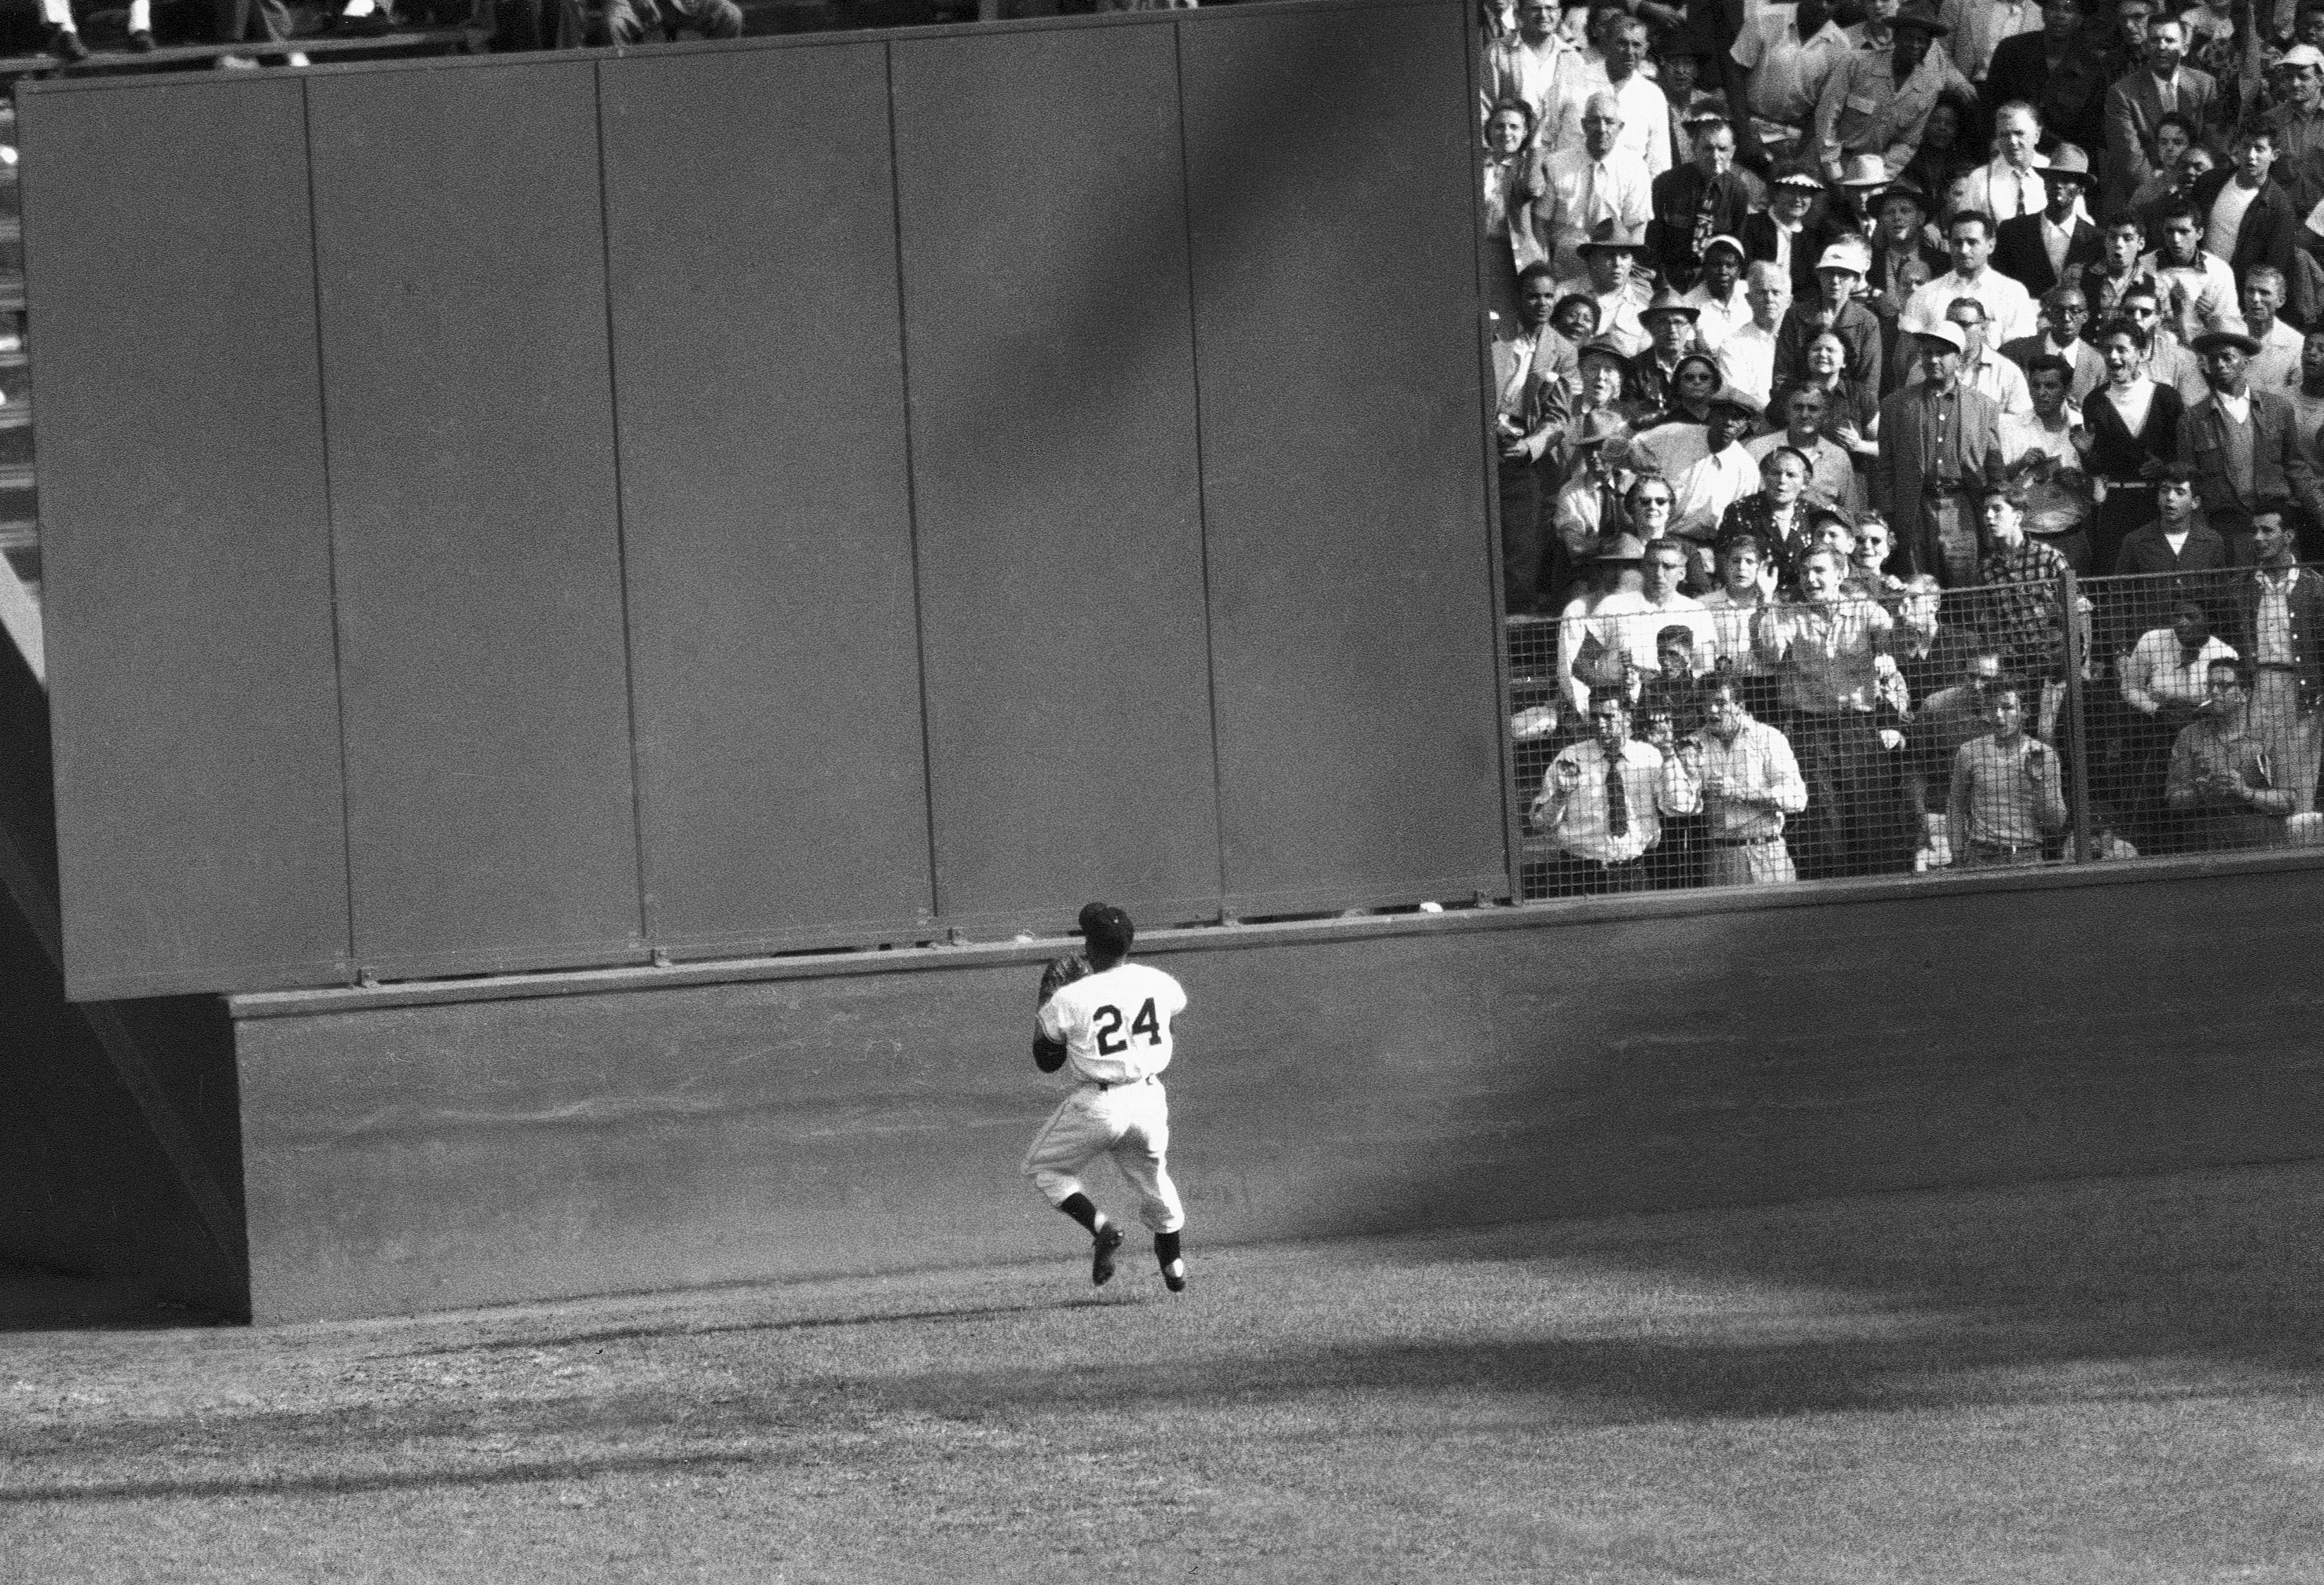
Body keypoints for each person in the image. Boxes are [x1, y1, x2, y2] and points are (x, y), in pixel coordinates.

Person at [1026, 904, 1190, 1293]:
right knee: (1155, 1183)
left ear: (1089, 946)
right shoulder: (1160, 982)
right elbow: (1169, 1016)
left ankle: (1102, 1228)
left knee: (1044, 1169)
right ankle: (1174, 1265)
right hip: (1149, 1098)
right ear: (1128, 944)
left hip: (1098, 1104)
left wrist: (1047, 1007)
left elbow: (1046, 1062)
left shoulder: (1070, 997)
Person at [1754, 544, 1908, 875]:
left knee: (1871, 819)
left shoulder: (1865, 609)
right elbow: (1769, 655)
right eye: (1805, 572)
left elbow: (1894, 644)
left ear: (1841, 574)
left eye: (1819, 570)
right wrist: (1764, 600)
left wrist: (1900, 618)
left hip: (1858, 728)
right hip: (1810, 731)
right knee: (1823, 825)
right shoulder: (1788, 613)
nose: (1811, 579)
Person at [1873, 321, 2008, 582]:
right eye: (1927, 352)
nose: (1933, 359)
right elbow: (1885, 469)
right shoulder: (1896, 405)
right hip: (1913, 508)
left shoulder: (1983, 407)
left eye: (1942, 353)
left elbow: (1995, 470)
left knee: (1965, 587)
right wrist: (1889, 517)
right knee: (1916, 588)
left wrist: (1997, 516)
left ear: (1958, 358)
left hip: (1963, 508)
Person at [2176, 328, 2323, 564]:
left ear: (2246, 362)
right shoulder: (2193, 419)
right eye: (2213, 360)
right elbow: (2189, 481)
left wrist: (2319, 508)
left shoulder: (2278, 409)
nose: (2220, 365)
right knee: (2237, 592)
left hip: (2274, 519)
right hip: (2225, 525)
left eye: (2227, 357)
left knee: (2283, 589)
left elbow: (2295, 467)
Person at [1530, 690, 1692, 893]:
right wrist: (1560, 796)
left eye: (1608, 716)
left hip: (1633, 872)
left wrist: (1669, 754)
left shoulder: (1649, 755)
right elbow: (1539, 824)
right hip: (1580, 873)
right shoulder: (1571, 758)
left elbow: (1680, 807)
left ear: (1627, 717)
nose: (1600, 723)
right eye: (1595, 716)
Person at [2121, 596, 2239, 849]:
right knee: (2148, 798)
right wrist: (2157, 709)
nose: (2181, 623)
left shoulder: (2225, 654)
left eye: (2191, 617)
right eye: (2177, 616)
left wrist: (2197, 715)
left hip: (2201, 733)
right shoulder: (2151, 641)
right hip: (2154, 730)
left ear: (2209, 621)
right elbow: (2129, 687)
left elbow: (2228, 703)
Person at [1667, 675, 1809, 882]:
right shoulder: (1693, 744)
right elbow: (1683, 807)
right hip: (1722, 857)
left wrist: (1740, 793)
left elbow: (1797, 799)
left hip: (1768, 852)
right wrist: (1680, 765)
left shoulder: (1769, 738)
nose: (1712, 711)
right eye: (1706, 704)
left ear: (1740, 705)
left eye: (1720, 703)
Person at [1813, 0, 1969, 184]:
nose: (1914, 45)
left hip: (1876, 171)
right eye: (1908, 37)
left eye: (1922, 41)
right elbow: (1827, 114)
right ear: (1895, 38)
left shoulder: (1929, 86)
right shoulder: (1856, 63)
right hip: (1833, 160)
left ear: (1929, 47)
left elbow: (1908, 143)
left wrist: (1882, 178)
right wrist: (1833, 169)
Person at [2079, 310, 2186, 574]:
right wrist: (2085, 453)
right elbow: (2099, 467)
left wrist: (2165, 469)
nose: (2113, 357)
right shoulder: (2095, 402)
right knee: (2119, 580)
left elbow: (2183, 457)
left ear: (2139, 352)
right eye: (2107, 350)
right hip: (2117, 506)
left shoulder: (2166, 397)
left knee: (2160, 578)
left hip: (2159, 504)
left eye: (2122, 349)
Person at [2231, 512, 2324, 813]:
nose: (2258, 538)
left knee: (2299, 772)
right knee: (2254, 764)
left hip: (2301, 686)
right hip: (2257, 686)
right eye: (2254, 531)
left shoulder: (2314, 585)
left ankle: (2299, 844)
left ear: (2289, 535)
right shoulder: (2241, 586)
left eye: (2267, 530)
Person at [1494, 280, 1574, 615]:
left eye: (1548, 296)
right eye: (1532, 295)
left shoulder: (1563, 350)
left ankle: (1515, 620)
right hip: (1480, 440)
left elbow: (1558, 417)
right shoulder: (1494, 335)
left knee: (1520, 543)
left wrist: (1529, 446)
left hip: (1521, 452)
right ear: (1518, 299)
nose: (1541, 303)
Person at [2165, 657, 2297, 846]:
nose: (2215, 692)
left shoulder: (2273, 735)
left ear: (2245, 693)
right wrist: (2199, 790)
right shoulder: (2189, 736)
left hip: (2263, 840)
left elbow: (2288, 802)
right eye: (2210, 685)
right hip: (2207, 841)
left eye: (2224, 686)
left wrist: (2244, 791)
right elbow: (2174, 800)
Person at [2102, 13, 2220, 214]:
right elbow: (2131, 161)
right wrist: (2166, 192)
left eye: (2170, 40)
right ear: (2146, 47)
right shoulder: (2122, 93)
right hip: (2143, 196)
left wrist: (2196, 186)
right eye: (2155, 40)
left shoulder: (2205, 85)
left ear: (2184, 48)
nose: (2162, 46)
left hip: (2197, 189)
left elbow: (2211, 145)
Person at [1905, 643, 2009, 864]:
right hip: (1943, 818)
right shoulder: (1937, 707)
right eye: (1971, 676)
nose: (1978, 685)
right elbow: (1915, 768)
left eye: (1987, 678)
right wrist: (1920, 818)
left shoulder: (2012, 712)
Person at [1946, 681, 2069, 864]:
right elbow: (1956, 805)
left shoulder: (2044, 754)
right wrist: (1957, 854)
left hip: (2025, 855)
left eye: (2007, 708)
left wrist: (2037, 782)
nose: (1998, 715)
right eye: (1991, 708)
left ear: (2025, 712)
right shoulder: (1969, 751)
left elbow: (2055, 822)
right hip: (1980, 854)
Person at [2185, 127, 2304, 313]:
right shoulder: (2210, 182)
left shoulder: (2280, 209)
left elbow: (2274, 270)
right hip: (2192, 284)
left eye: (2259, 149)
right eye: (2246, 146)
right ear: (2237, 149)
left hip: (2235, 300)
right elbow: (2186, 230)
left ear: (2275, 155)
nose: (2251, 155)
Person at [1541, 90, 1657, 278]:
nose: (1602, 128)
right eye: (1595, 121)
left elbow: (1637, 229)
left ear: (1620, 127)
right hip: (1564, 263)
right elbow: (1541, 224)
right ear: (1584, 125)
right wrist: (1544, 271)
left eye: (1609, 122)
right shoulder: (1556, 164)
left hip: (1613, 265)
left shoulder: (1636, 169)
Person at [1971, 480, 2072, 689]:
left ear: (2018, 516)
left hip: (2057, 663)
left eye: (1997, 509)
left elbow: (2078, 610)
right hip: (2016, 669)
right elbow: (1989, 623)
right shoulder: (1987, 569)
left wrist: (2077, 660)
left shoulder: (2048, 557)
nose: (1988, 516)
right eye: (1986, 510)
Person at [1729, 0, 1855, 165]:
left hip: (1793, 137)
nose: (1823, 6)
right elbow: (1735, 75)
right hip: (1747, 125)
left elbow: (1824, 108)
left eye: (1831, 2)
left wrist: (1799, 157)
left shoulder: (1841, 47)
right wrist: (1744, 136)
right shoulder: (1765, 18)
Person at [1985, 0, 2109, 160]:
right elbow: (1990, 106)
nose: (2060, 15)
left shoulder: (2092, 66)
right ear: (2043, 13)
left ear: (2079, 19)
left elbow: (2090, 128)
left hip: (2062, 159)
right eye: (2054, 7)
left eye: (2068, 10)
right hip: (2010, 149)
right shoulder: (2011, 50)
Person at [1903, 210, 2040, 343]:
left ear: (1991, 245)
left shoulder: (2012, 293)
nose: (1964, 250)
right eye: (1957, 243)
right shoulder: (1925, 295)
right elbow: (1910, 352)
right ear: (1949, 245)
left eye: (1972, 242)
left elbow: (2019, 351)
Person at [1773, 241, 1886, 397]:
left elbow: (1869, 383)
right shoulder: (1795, 315)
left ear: (1855, 279)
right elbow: (1783, 374)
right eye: (1829, 273)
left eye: (1843, 275)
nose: (1835, 280)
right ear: (1819, 275)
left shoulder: (1867, 322)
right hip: (1800, 406)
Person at [1649, 123, 1754, 288]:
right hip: (1670, 276)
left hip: (1714, 280)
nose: (1715, 156)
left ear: (1732, 152)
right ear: (1693, 148)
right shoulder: (1666, 183)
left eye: (1722, 149)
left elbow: (1737, 246)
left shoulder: (1738, 191)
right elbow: (1654, 238)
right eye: (1707, 148)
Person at [1991, 142, 2102, 299]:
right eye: (2052, 178)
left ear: (2081, 189)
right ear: (2044, 184)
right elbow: (2000, 285)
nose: (2057, 185)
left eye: (2066, 180)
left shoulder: (2096, 240)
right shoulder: (2013, 231)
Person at [1483, 0, 1596, 152]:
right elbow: (1484, 109)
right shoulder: (1498, 52)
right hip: (1511, 158)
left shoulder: (1573, 59)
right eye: (1535, 9)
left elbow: (1579, 115)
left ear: (1560, 14)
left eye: (1550, 8)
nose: (1543, 15)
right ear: (1519, 13)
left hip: (1558, 157)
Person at [2139, 200, 2245, 350]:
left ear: (2199, 233)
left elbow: (2230, 329)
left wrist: (2211, 317)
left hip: (2203, 351)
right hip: (2154, 350)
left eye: (2184, 231)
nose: (2176, 239)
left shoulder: (2219, 271)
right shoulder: (2144, 267)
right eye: (2170, 231)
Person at [1748, 383, 1864, 512]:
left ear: (1825, 415)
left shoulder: (1838, 457)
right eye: (1798, 407)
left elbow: (1850, 512)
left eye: (1813, 408)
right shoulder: (1758, 449)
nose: (1804, 415)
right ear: (1787, 412)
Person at [1560, 222, 1655, 355]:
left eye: (1624, 256)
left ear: (1632, 261)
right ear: (1592, 259)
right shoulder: (1563, 294)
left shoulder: (1644, 305)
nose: (1618, 263)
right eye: (1609, 255)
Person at [1961, 103, 2063, 226]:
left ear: (2037, 134)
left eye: (2019, 133)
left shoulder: (2057, 172)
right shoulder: (1980, 179)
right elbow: (1964, 229)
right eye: (2004, 135)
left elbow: (2078, 226)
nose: (2012, 141)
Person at [1998, 287, 2106, 401]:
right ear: (2049, 315)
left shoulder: (2097, 362)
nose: (2066, 318)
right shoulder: (2014, 352)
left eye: (2074, 311)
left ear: (2085, 317)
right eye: (2059, 310)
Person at [1746, 165, 1831, 300]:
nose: (1798, 199)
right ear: (1776, 193)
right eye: (1791, 192)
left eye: (1804, 194)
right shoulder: (1751, 226)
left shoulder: (1813, 238)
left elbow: (1812, 286)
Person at [1948, 296, 2034, 419]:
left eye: (1964, 325)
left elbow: (2022, 421)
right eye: (1951, 324)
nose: (1956, 330)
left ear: (1983, 328)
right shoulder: (1929, 365)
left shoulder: (2007, 372)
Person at [1717, 260, 1787, 403]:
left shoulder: (1801, 341)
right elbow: (1737, 396)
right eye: (1762, 292)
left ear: (1789, 300)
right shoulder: (1733, 345)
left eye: (1776, 292)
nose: (1769, 299)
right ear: (1748, 299)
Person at [1626, 292, 1708, 411]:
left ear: (1689, 326)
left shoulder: (1705, 366)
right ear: (1649, 327)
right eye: (1662, 322)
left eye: (1678, 322)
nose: (1672, 330)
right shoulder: (1634, 368)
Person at [1680, 233, 1753, 349]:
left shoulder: (1751, 292)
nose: (1723, 271)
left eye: (1730, 265)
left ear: (1739, 270)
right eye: (1716, 265)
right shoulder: (1688, 305)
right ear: (1704, 268)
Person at [2239, 269, 2304, 396]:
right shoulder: (2224, 329)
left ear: (2280, 301)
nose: (2255, 298)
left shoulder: (2297, 345)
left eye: (2264, 293)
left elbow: (2295, 402)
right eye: (2250, 291)